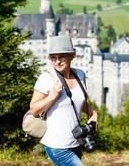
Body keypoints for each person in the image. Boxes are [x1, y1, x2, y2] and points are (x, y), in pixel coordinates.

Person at [29, 35, 98, 166]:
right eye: (53, 57)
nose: (57, 61)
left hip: (76, 142)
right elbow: (34, 110)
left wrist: (92, 113)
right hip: (57, 145)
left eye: (62, 57)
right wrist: (52, 96)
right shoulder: (46, 78)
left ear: (72, 56)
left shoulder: (80, 75)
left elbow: (79, 100)